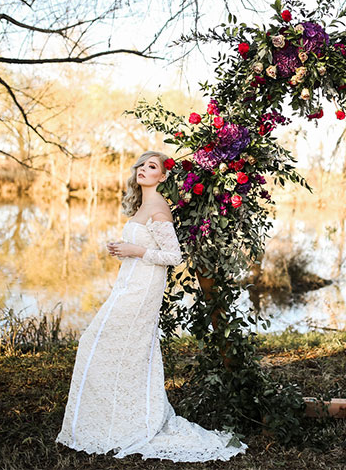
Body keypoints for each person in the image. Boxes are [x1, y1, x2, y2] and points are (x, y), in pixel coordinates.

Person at [56, 151, 247, 462]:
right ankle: (114, 422)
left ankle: (129, 423)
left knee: (96, 341)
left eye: (152, 166)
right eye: (142, 165)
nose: (144, 169)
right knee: (118, 349)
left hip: (143, 289)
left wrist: (135, 249)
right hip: (128, 282)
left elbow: (173, 256)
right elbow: (145, 248)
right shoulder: (143, 204)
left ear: (162, 177)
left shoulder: (158, 207)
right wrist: (123, 250)